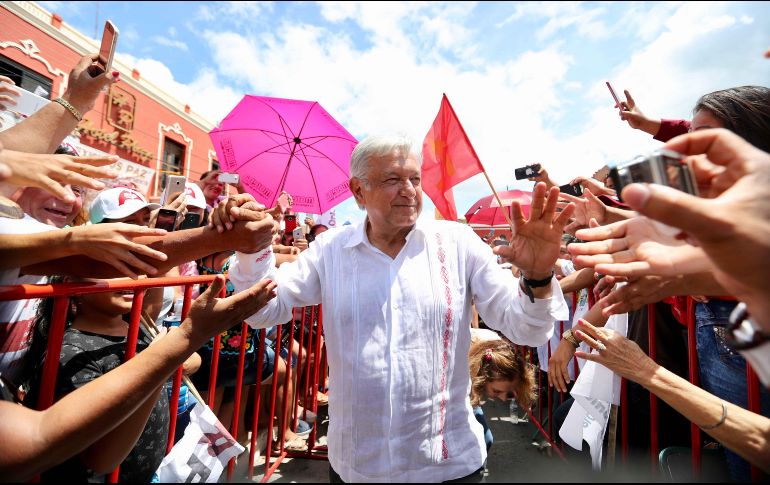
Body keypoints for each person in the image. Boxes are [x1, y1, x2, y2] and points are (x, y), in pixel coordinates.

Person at [219, 134, 573, 482]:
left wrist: (537, 277)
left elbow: (526, 328)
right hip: (359, 466)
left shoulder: (458, 244)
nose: (409, 189)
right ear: (358, 191)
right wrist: (253, 250)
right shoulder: (330, 250)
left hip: (448, 465)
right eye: (392, 179)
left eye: (414, 179)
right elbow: (264, 310)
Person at [0, 276, 276, 482]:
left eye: (130, 268)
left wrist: (178, 355)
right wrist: (164, 362)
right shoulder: (71, 355)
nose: (126, 278)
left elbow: (191, 360)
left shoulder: (139, 326)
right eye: (108, 271)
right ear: (74, 285)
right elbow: (102, 459)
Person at [468, 336, 536, 451]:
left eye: (509, 393)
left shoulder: (500, 352)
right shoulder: (464, 372)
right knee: (483, 440)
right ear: (482, 378)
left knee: (485, 440)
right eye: (497, 391)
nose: (503, 399)